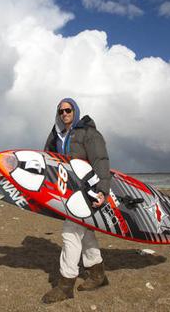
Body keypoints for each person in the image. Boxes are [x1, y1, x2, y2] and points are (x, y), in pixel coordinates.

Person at [41, 98, 111, 303]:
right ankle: (98, 275)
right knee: (86, 232)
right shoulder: (58, 134)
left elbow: (101, 161)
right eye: (61, 111)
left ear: (76, 111)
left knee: (70, 233)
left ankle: (65, 285)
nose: (64, 114)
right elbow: (49, 158)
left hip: (87, 191)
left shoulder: (89, 134)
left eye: (68, 110)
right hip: (69, 192)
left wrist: (103, 191)